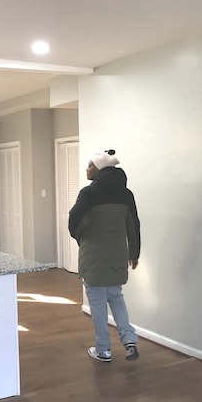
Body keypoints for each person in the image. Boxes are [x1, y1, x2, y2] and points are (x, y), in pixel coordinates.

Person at [68, 149, 141, 362]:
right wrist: (134, 253)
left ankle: (103, 349)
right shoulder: (126, 194)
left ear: (99, 169)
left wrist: (82, 236)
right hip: (118, 253)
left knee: (98, 302)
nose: (86, 169)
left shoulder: (89, 193)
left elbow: (74, 220)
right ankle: (129, 340)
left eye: (90, 165)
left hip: (95, 255)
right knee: (116, 297)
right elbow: (133, 225)